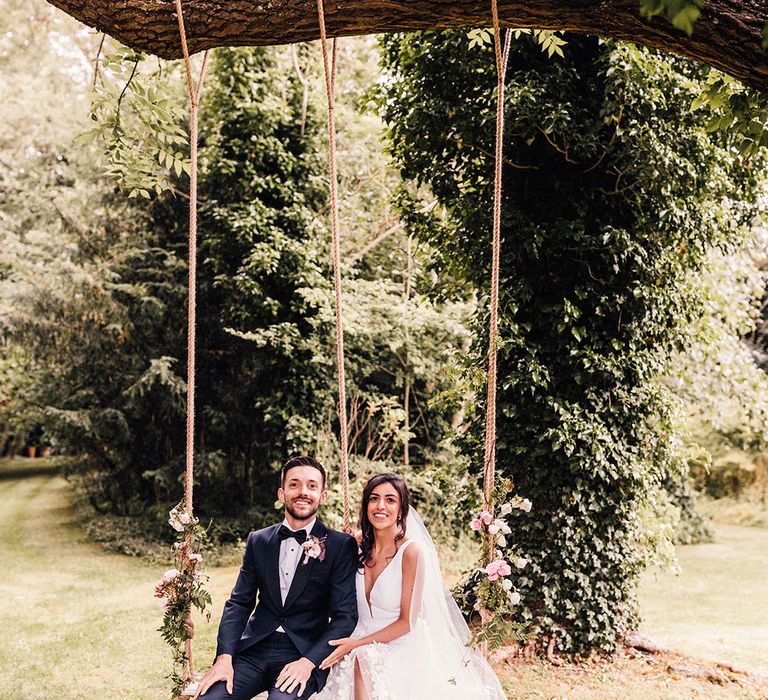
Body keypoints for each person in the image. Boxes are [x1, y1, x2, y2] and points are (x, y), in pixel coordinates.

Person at [315, 473, 507, 700]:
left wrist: (356, 644)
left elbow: (407, 622)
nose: (380, 506)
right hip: (355, 637)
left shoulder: (411, 552)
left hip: (398, 643)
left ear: (402, 510)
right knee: (351, 658)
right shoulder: (355, 544)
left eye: (390, 500)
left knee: (363, 657)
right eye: (374, 498)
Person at [193, 456, 358, 700]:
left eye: (312, 486)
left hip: (302, 653)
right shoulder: (258, 540)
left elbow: (345, 617)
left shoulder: (340, 545)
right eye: (294, 484)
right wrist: (224, 657)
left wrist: (310, 661)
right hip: (253, 651)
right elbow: (239, 603)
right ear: (282, 493)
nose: (303, 492)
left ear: (323, 496)